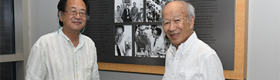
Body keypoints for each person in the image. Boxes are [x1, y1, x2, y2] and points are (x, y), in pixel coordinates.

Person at [25, 0, 100, 80]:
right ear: (61, 15)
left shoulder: (89, 44)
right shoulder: (44, 44)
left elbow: (94, 77)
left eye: (82, 12)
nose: (78, 16)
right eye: (73, 11)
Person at [162, 1, 224, 80]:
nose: (171, 28)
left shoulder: (206, 56)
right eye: (166, 22)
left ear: (191, 22)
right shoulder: (170, 53)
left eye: (177, 20)